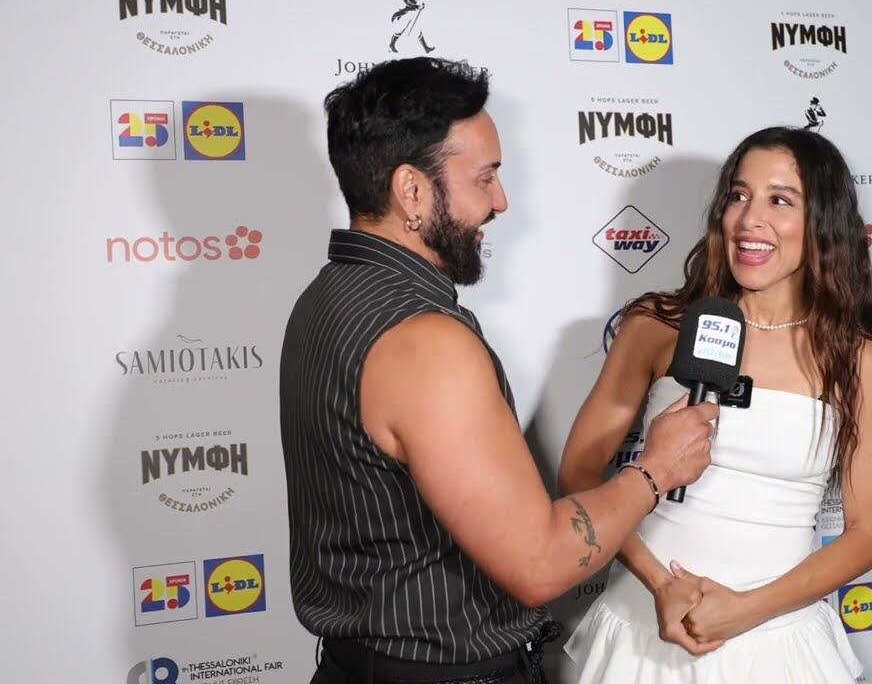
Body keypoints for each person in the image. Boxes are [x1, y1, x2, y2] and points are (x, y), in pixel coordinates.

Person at [278, 57, 719, 684]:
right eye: (484, 177)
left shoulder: (328, 295)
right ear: (411, 191)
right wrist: (657, 469)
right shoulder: (425, 342)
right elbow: (540, 564)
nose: (501, 201)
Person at [559, 127, 872, 682]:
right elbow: (578, 472)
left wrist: (746, 610)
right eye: (738, 196)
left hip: (778, 646)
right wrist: (660, 584)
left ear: (823, 222)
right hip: (643, 630)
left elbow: (866, 536)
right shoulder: (657, 326)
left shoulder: (861, 364)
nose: (749, 219)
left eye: (780, 200)